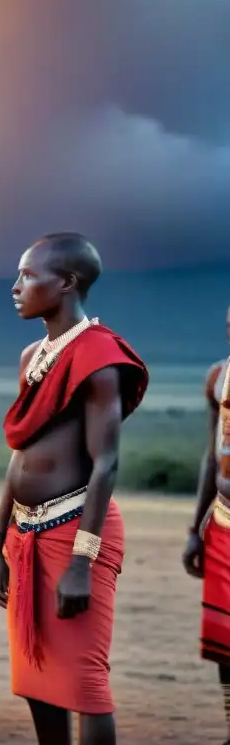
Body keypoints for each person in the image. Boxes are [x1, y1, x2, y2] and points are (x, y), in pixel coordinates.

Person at [0, 233, 148, 745]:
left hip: (77, 531)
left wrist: (82, 561)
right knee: (37, 680)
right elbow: (20, 453)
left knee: (82, 683)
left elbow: (107, 463)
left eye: (28, 276)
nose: (15, 287)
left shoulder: (100, 356)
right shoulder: (34, 353)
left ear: (67, 283)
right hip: (24, 535)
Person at [183, 303, 230, 743]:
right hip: (222, 522)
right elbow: (210, 455)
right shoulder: (218, 376)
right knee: (225, 642)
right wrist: (193, 528)